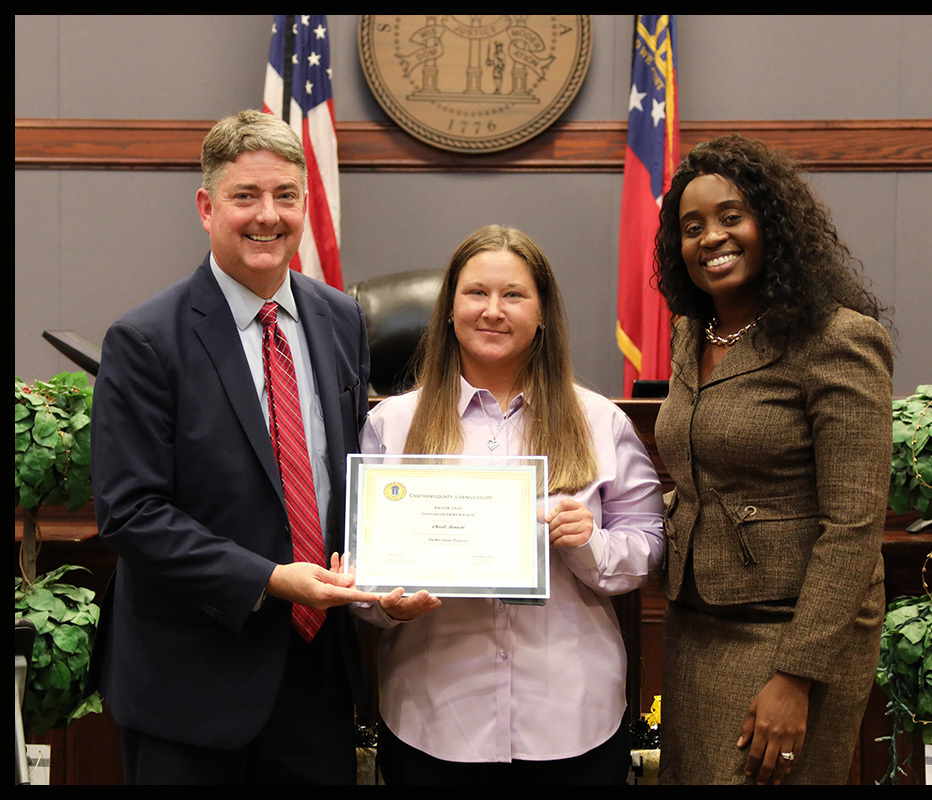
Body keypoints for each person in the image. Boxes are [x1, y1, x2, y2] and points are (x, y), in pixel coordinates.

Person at [90, 110, 378, 784]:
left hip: (316, 678)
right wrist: (270, 580)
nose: (267, 216)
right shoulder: (145, 340)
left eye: (284, 195)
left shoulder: (341, 319)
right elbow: (130, 514)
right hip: (191, 686)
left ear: (305, 204)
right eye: (245, 196)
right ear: (207, 206)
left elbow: (352, 476)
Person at [354, 225, 664, 784]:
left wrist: (590, 542)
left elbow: (648, 545)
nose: (493, 310)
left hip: (570, 718)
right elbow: (361, 566)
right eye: (476, 292)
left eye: (513, 295)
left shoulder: (600, 422)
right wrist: (387, 605)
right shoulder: (391, 425)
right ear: (449, 309)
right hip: (434, 717)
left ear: (542, 313)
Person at [652, 134, 893, 785]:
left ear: (775, 225)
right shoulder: (690, 334)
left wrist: (796, 675)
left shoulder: (838, 339)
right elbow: (700, 480)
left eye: (731, 216)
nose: (711, 237)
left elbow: (853, 527)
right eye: (692, 227)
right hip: (696, 623)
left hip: (794, 634)